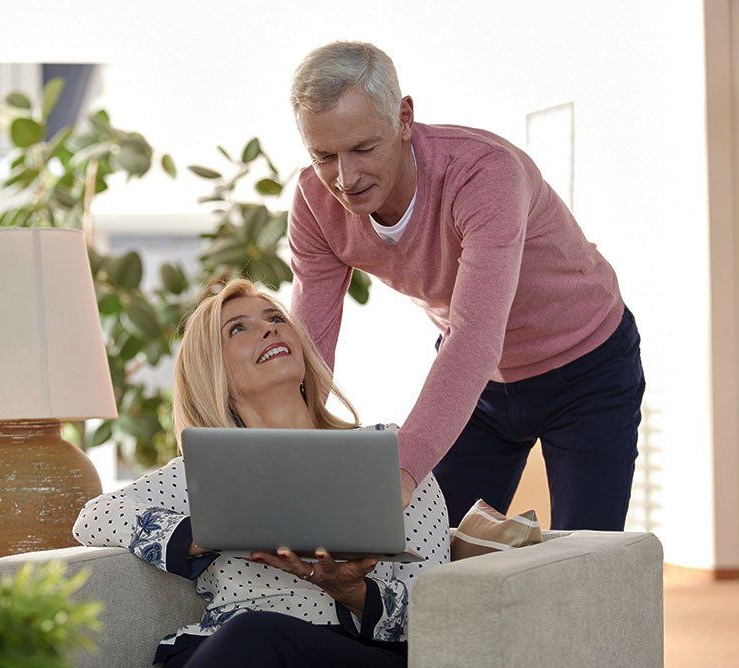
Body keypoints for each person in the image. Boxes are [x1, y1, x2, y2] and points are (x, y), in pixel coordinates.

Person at [287, 41, 646, 531]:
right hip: (485, 388)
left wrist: (400, 470)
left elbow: (476, 335)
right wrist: (278, 455)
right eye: (324, 155)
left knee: (587, 557)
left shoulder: (485, 173)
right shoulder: (314, 203)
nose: (346, 178)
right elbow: (310, 348)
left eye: (364, 148)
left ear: (403, 118)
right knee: (433, 552)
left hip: (586, 368)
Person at [73, 278, 450, 667]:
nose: (270, 328)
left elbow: (439, 614)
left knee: (258, 633)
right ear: (213, 374)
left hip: (355, 651)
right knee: (246, 636)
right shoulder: (203, 473)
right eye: (238, 328)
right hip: (229, 647)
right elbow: (94, 516)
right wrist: (207, 534)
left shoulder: (390, 453)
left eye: (275, 318)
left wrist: (351, 591)